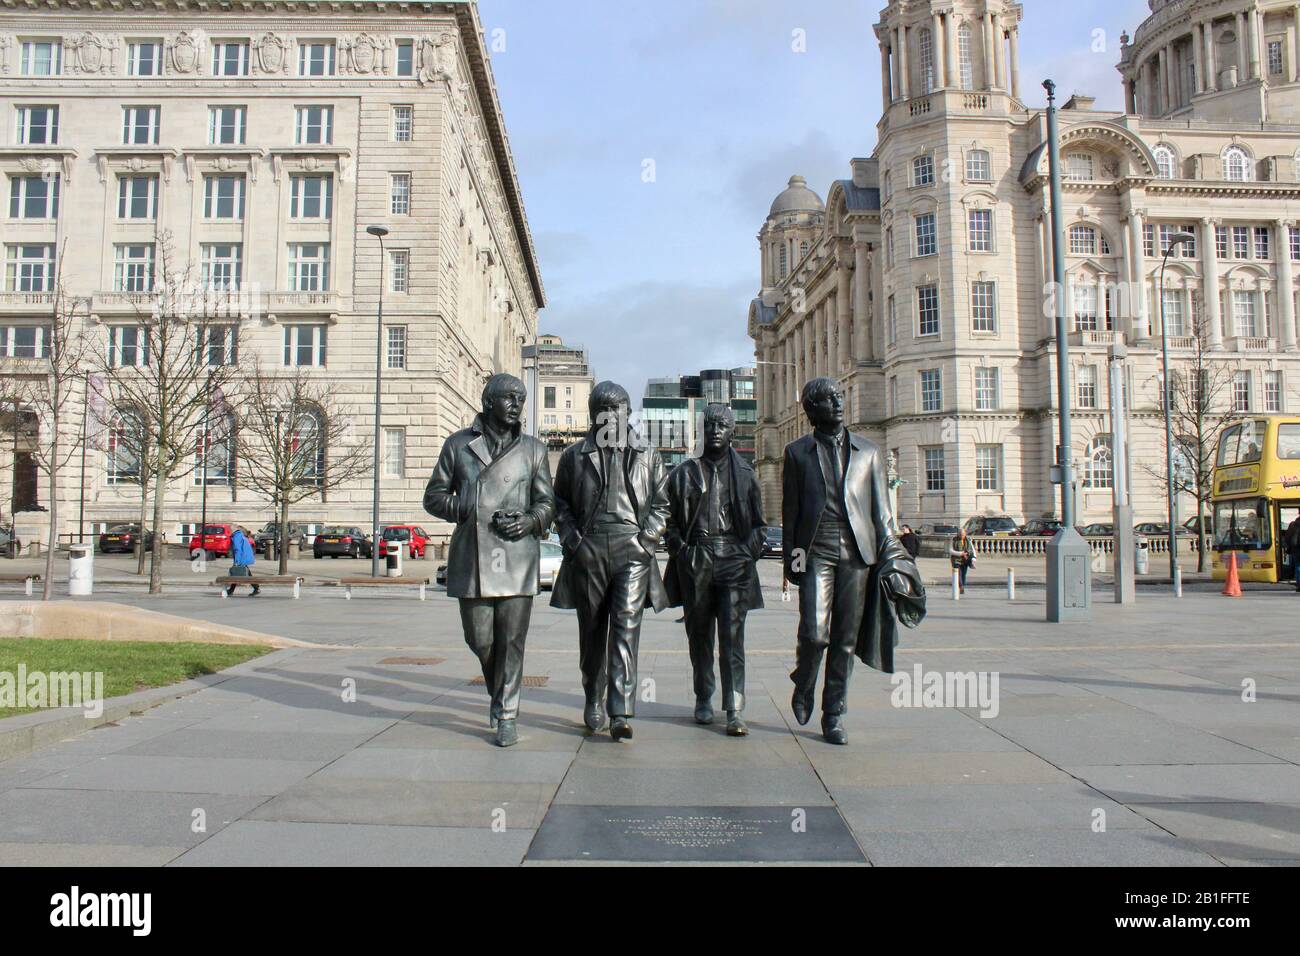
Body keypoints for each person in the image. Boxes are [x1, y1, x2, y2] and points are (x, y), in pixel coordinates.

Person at [423, 373, 556, 747]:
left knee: (512, 641)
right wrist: (462, 506)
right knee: (480, 638)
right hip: (474, 556)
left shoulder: (533, 450)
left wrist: (530, 520)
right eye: (509, 397)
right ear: (488, 402)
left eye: (521, 398)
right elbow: (433, 497)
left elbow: (548, 503)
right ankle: (500, 694)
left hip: (516, 556)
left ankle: (507, 713)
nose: (516, 404)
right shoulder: (458, 445)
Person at [782, 377, 905, 746]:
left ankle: (833, 713)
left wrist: (895, 557)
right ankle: (804, 682)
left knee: (845, 641)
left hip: (857, 554)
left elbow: (882, 516)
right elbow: (791, 514)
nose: (837, 403)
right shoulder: (796, 452)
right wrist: (793, 562)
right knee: (814, 633)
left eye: (838, 397)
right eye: (827, 399)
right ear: (811, 410)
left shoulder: (869, 452)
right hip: (816, 550)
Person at [550, 381, 670, 742]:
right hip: (590, 548)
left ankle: (620, 710)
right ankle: (593, 694)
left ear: (628, 413)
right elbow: (560, 506)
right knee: (592, 630)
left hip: (631, 550)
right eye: (602, 409)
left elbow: (663, 504)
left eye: (617, 409)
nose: (610, 415)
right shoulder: (574, 456)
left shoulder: (648, 453)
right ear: (592, 415)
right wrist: (574, 542)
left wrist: (645, 541)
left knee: (626, 627)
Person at [663, 404, 767, 737]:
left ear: (733, 431)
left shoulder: (747, 474)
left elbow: (759, 527)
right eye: (709, 425)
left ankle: (735, 707)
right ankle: (703, 697)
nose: (715, 430)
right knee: (700, 637)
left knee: (733, 639)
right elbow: (669, 521)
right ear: (701, 431)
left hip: (733, 559)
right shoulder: (684, 473)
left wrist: (745, 554)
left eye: (722, 425)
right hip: (698, 558)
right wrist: (682, 550)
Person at [227, 526, 259, 597]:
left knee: (237, 573)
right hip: (244, 557)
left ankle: (256, 588)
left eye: (229, 530)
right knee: (237, 573)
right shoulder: (239, 535)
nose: (228, 532)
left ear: (233, 531)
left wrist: (237, 562)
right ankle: (231, 590)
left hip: (242, 558)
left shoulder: (236, 537)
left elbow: (237, 550)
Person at [949, 526, 976, 594]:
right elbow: (950, 550)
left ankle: (962, 585)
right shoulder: (953, 539)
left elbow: (972, 550)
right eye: (960, 534)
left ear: (965, 534)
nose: (962, 536)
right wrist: (961, 553)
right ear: (958, 534)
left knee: (963, 574)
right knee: (958, 574)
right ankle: (961, 587)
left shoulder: (968, 540)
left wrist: (973, 559)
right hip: (956, 560)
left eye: (963, 534)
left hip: (965, 560)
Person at [1285, 514, 1300, 593]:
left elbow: (1287, 537)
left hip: (1295, 550)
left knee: (1298, 567)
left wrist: (1290, 547)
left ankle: (1299, 585)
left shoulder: (1293, 525)